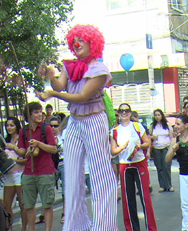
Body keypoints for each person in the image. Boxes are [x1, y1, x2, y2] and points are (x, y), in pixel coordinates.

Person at [36, 24, 117, 230]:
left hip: (94, 120)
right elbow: (60, 86)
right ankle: (76, 226)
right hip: (74, 122)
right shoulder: (69, 66)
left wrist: (53, 94)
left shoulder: (99, 69)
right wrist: (51, 77)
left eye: (82, 39)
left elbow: (81, 97)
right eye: (74, 40)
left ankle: (103, 226)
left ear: (93, 43)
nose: (77, 43)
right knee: (71, 176)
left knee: (100, 175)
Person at [111, 103, 157, 231]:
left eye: (126, 110)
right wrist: (122, 147)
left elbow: (147, 142)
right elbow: (113, 150)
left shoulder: (137, 126)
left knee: (145, 198)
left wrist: (139, 147)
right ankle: (131, 228)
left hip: (139, 163)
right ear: (118, 114)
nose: (124, 113)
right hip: (125, 166)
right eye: (121, 111)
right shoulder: (114, 131)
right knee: (128, 199)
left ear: (130, 113)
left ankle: (151, 228)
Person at [16, 102, 57, 231]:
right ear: (29, 115)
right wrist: (16, 149)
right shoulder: (23, 131)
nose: (40, 114)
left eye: (40, 111)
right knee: (28, 204)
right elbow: (22, 151)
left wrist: (39, 144)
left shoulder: (46, 129)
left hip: (45, 171)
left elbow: (53, 149)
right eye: (36, 112)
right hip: (29, 172)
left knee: (47, 204)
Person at [3, 117, 27, 231]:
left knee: (23, 204)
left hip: (20, 172)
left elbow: (26, 156)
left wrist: (14, 149)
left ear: (17, 126)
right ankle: (10, 227)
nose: (9, 127)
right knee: (7, 204)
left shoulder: (21, 139)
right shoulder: (5, 140)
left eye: (12, 125)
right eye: (7, 125)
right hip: (8, 174)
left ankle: (24, 228)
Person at [150, 108, 174, 192]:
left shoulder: (167, 124)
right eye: (155, 115)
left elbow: (172, 136)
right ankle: (162, 185)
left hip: (166, 147)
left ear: (162, 115)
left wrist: (172, 148)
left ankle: (169, 185)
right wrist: (152, 137)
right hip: (156, 148)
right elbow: (149, 137)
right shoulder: (152, 125)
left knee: (166, 166)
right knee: (159, 167)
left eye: (159, 115)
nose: (157, 117)